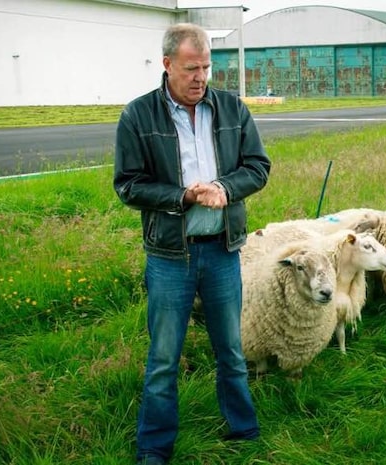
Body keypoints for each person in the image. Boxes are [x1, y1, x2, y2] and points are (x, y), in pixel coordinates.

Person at [113, 23, 271, 465]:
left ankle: (245, 432)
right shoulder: (138, 116)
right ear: (167, 65)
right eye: (190, 69)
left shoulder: (232, 109)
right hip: (169, 257)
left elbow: (258, 166)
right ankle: (154, 448)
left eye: (206, 67)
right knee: (163, 359)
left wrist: (225, 186)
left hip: (222, 250)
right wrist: (183, 196)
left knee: (231, 351)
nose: (201, 77)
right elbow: (128, 185)